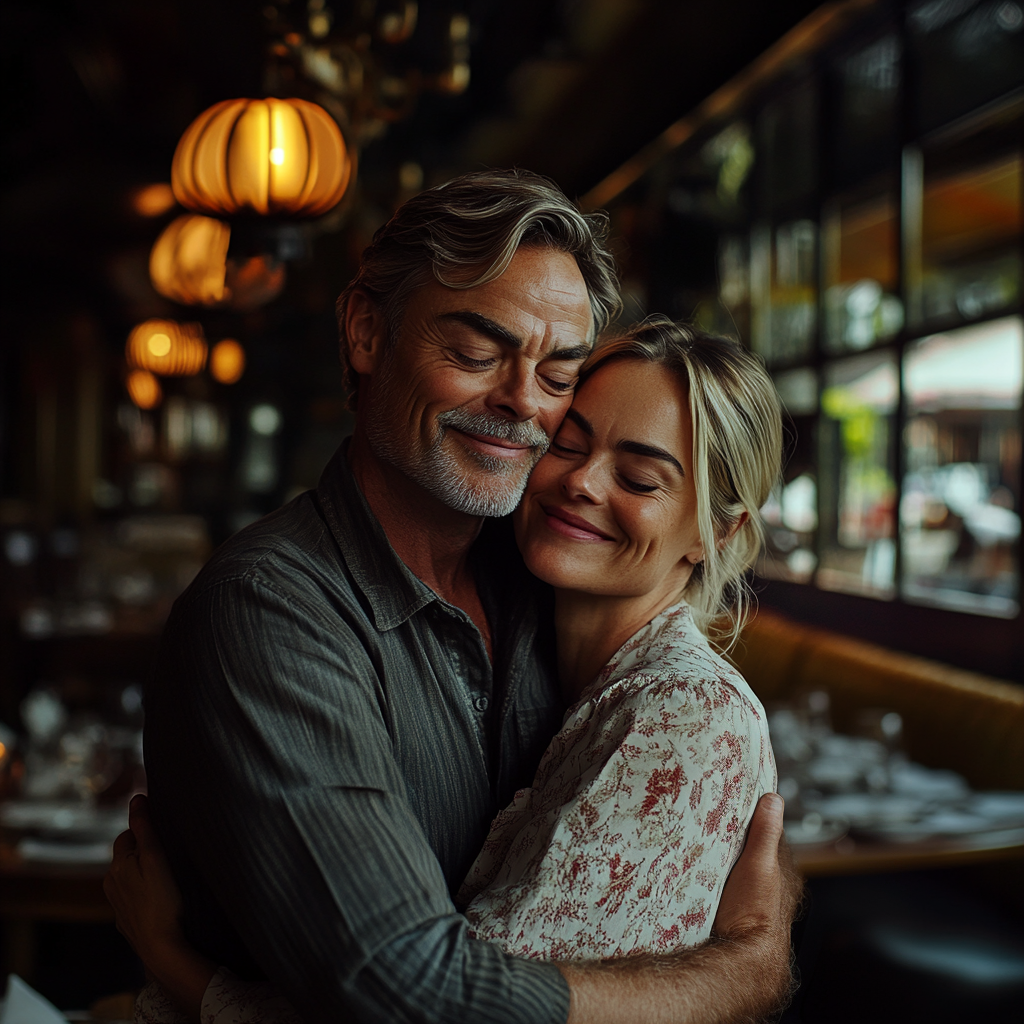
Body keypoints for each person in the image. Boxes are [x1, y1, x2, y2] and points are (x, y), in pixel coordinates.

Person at [107, 170, 800, 1023]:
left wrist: (764, 921)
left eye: (556, 376)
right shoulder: (270, 612)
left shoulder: (535, 572)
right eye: (476, 354)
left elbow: (698, 786)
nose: (520, 403)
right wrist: (740, 970)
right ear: (366, 331)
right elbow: (408, 989)